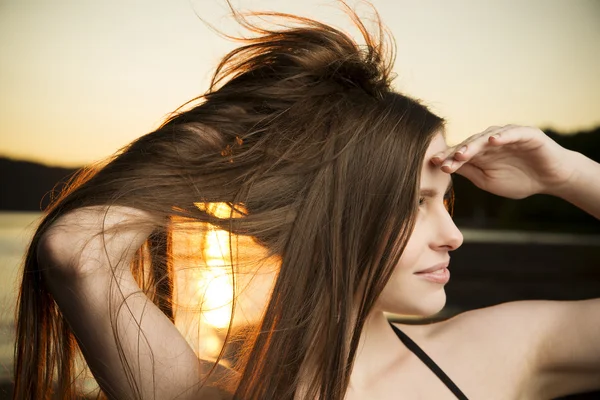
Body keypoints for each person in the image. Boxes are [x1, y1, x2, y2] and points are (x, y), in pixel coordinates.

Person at [12, 4, 600, 400]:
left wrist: (568, 173)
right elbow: (76, 246)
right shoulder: (205, 392)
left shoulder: (503, 350)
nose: (453, 235)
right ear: (322, 213)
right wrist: (244, 124)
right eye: (413, 203)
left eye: (447, 200)